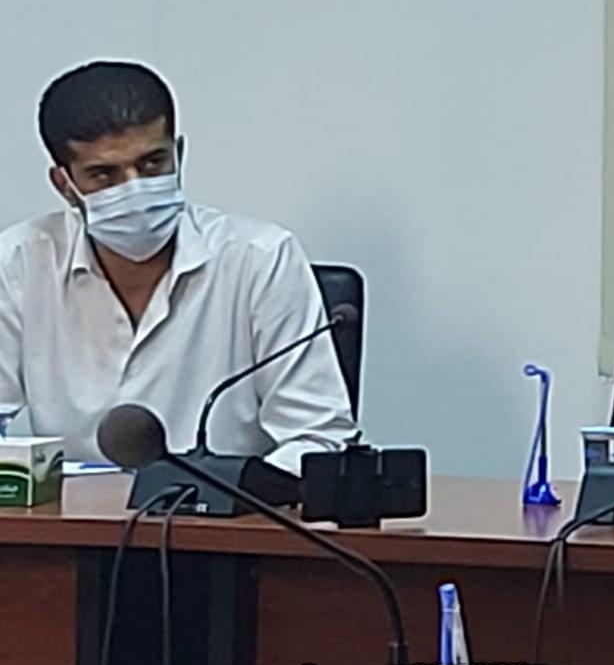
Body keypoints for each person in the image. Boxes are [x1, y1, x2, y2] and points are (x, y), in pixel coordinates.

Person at [0, 61, 354, 474]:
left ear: (179, 154)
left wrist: (238, 494)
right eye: (104, 175)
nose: (134, 188)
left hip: (220, 511)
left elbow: (319, 438)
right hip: (68, 512)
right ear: (65, 184)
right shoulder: (19, 264)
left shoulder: (260, 259)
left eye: (152, 163)